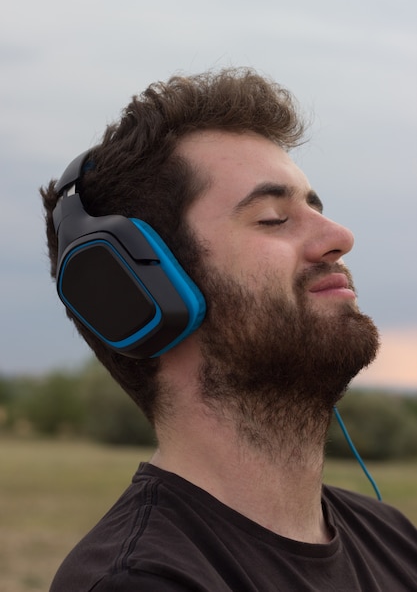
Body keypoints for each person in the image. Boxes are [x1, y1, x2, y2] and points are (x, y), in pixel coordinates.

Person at [41, 68, 417, 591]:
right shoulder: (145, 581)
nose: (340, 237)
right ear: (141, 293)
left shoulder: (395, 538)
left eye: (314, 208)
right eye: (271, 218)